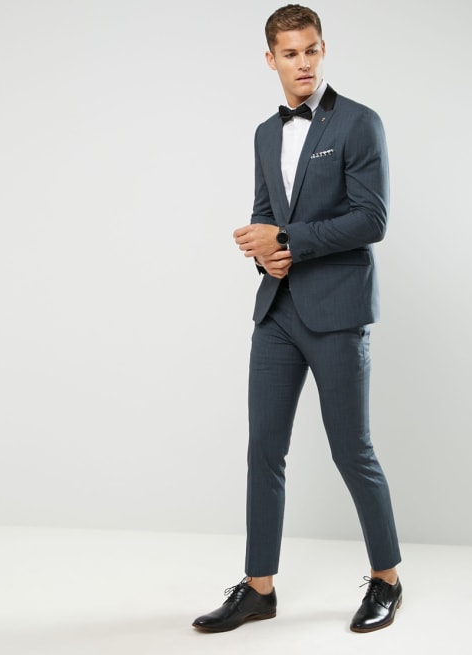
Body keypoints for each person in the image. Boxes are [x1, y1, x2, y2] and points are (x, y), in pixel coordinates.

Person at [192, 4, 402, 634]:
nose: (303, 63)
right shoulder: (265, 133)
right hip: (278, 312)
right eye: (290, 54)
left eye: (311, 50)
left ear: (322, 50)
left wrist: (288, 239)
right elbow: (267, 213)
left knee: (351, 450)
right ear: (271, 60)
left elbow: (372, 219)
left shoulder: (359, 122)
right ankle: (259, 588)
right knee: (264, 449)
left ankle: (387, 579)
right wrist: (265, 253)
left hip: (337, 312)